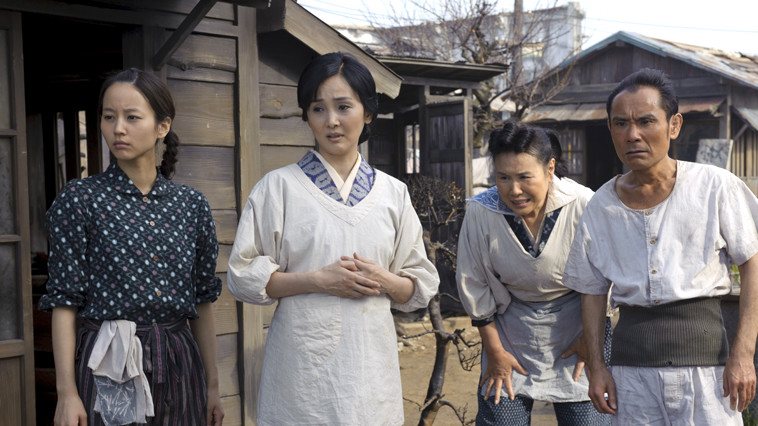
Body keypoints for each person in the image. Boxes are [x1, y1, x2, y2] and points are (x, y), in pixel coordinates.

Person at [226, 51, 439, 425]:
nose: (332, 121)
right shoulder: (277, 188)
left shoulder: (393, 193)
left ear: (367, 112)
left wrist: (384, 279)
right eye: (318, 109)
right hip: (300, 377)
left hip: (372, 373)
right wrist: (317, 281)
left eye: (343, 106)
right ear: (306, 115)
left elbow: (417, 288)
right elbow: (243, 277)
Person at [563, 68, 758, 425]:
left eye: (646, 121)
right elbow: (592, 292)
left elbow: (753, 264)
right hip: (631, 377)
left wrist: (744, 353)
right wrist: (597, 365)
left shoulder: (714, 186)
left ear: (674, 125)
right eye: (620, 124)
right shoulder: (601, 206)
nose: (632, 135)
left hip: (708, 373)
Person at [39, 68, 224, 426]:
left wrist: (212, 387)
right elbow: (64, 302)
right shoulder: (81, 199)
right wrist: (66, 393)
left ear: (162, 126)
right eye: (109, 117)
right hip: (111, 359)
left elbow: (202, 300)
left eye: (132, 117)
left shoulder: (191, 205)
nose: (118, 129)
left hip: (179, 361)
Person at [456, 120, 611, 425]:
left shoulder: (583, 203)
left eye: (525, 177)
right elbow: (473, 283)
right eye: (503, 177)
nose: (514, 190)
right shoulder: (480, 211)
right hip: (509, 329)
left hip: (580, 324)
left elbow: (606, 275)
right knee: (502, 416)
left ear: (550, 168)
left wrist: (591, 343)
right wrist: (495, 352)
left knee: (589, 418)